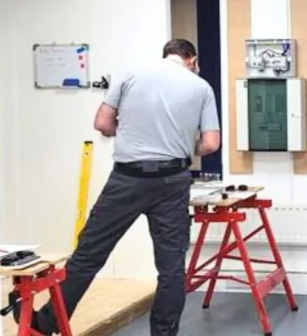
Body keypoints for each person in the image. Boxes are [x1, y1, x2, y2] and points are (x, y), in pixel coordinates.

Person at [16, 39, 221, 336]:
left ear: (165, 54)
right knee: (171, 267)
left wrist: (124, 130)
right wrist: (187, 146)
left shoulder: (129, 73)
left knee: (89, 255)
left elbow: (102, 123)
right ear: (192, 59)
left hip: (128, 178)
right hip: (172, 181)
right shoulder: (200, 86)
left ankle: (47, 324)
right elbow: (211, 143)